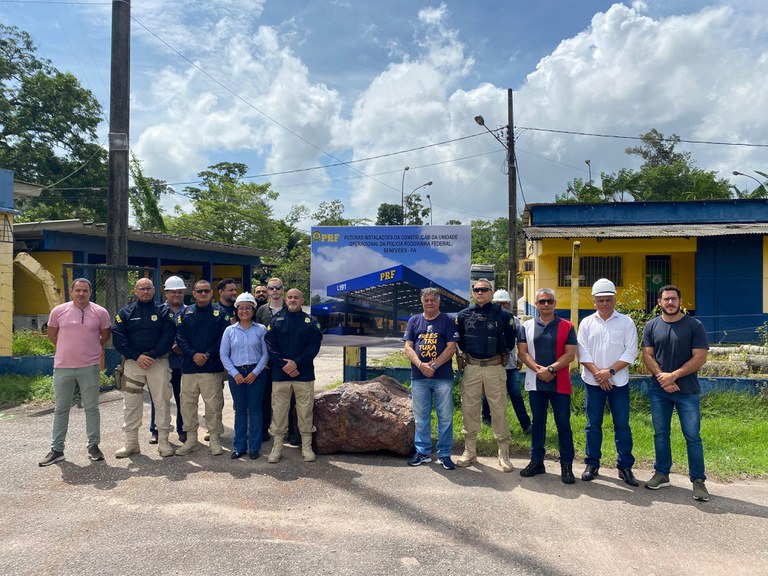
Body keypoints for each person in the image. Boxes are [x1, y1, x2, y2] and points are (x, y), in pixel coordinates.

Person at [642, 284, 710, 501]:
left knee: (692, 436)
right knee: (661, 434)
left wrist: (674, 376)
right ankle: (662, 474)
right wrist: (664, 379)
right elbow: (647, 356)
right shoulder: (651, 326)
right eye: (666, 299)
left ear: (681, 302)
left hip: (687, 391)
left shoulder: (694, 325)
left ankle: (698, 481)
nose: (670, 302)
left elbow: (700, 357)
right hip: (659, 391)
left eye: (673, 299)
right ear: (659, 303)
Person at [39, 278, 111, 466]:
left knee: (92, 407)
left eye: (85, 290)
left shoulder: (100, 312)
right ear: (71, 292)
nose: (81, 294)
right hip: (63, 366)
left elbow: (105, 335)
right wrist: (67, 349)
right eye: (77, 290)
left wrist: (91, 349)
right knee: (61, 409)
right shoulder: (59, 311)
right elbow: (52, 335)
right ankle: (57, 450)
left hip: (89, 366)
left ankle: (93, 446)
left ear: (90, 292)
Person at [577, 278, 639, 486]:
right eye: (600, 300)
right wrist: (598, 374)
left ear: (615, 300)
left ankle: (625, 467)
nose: (604, 303)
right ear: (594, 301)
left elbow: (631, 351)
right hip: (593, 383)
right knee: (593, 425)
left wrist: (609, 372)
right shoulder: (586, 323)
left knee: (622, 425)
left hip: (618, 382)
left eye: (608, 300)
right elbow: (582, 352)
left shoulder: (626, 322)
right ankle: (592, 464)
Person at [455, 278, 518, 472]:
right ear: (473, 293)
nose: (480, 292)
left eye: (484, 289)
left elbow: (510, 340)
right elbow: (460, 341)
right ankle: (470, 451)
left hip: (494, 367)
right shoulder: (464, 315)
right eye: (476, 289)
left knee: (498, 409)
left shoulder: (503, 315)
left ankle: (503, 453)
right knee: (469, 408)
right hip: (472, 366)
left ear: (491, 293)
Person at [517, 288, 578, 484]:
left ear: (555, 303)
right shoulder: (526, 326)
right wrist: (538, 370)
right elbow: (523, 352)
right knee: (538, 424)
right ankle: (537, 462)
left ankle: (566, 466)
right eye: (541, 301)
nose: (545, 305)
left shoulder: (567, 326)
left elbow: (570, 354)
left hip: (560, 384)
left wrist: (550, 370)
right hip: (536, 383)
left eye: (549, 301)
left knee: (563, 426)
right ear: (536, 304)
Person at [112, 278, 177, 458]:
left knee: (162, 401)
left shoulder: (164, 311)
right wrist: (136, 356)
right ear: (136, 291)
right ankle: (131, 443)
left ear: (154, 290)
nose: (145, 291)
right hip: (133, 364)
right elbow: (117, 336)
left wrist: (153, 355)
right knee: (131, 403)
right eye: (142, 289)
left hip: (158, 362)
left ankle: (163, 442)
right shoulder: (126, 312)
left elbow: (168, 335)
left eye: (148, 288)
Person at [265, 288, 323, 464]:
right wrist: (285, 365)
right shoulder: (275, 321)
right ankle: (277, 447)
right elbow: (270, 346)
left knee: (305, 412)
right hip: (280, 375)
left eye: (296, 297)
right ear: (285, 299)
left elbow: (314, 347)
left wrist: (296, 363)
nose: (292, 300)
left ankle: (307, 446)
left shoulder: (311, 322)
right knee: (279, 412)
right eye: (289, 297)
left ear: (302, 300)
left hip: (303, 374)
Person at [403, 288, 459, 470]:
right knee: (420, 417)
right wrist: (421, 365)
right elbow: (408, 347)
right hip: (419, 376)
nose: (429, 303)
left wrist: (433, 366)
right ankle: (423, 452)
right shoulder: (414, 321)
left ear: (439, 302)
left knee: (445, 417)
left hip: (442, 377)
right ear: (422, 302)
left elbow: (451, 347)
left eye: (433, 300)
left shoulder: (448, 321)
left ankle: (444, 454)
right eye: (426, 300)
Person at [175, 279, 229, 456]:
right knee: (188, 404)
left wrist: (206, 355)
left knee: (213, 405)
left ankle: (214, 438)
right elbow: (180, 338)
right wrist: (193, 354)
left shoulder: (220, 313)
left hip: (211, 367)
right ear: (194, 293)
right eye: (200, 291)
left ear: (212, 292)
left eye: (206, 291)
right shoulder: (185, 313)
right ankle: (191, 438)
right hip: (190, 368)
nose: (203, 294)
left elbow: (223, 338)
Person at [220, 293, 269, 459]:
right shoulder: (230, 331)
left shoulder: (261, 329)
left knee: (255, 410)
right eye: (241, 307)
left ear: (254, 310)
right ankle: (239, 447)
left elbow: (265, 354)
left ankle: (254, 448)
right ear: (236, 310)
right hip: (237, 374)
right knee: (240, 411)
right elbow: (224, 354)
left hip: (256, 373)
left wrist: (255, 372)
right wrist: (234, 373)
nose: (244, 311)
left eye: (248, 307)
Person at [481, 289, 531, 436]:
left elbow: (522, 342)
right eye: (498, 303)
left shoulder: (513, 320)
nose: (502, 306)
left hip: (509, 367)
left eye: (504, 304)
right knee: (488, 396)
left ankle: (526, 425)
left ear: (509, 304)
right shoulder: (486, 319)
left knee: (515, 396)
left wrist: (521, 358)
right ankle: (486, 421)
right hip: (491, 365)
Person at [256, 277, 299, 447]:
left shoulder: (290, 309)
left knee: (289, 398)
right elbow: (257, 337)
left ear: (283, 290)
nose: (274, 291)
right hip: (266, 363)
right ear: (267, 290)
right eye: (271, 288)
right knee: (265, 398)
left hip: (286, 362)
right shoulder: (261, 311)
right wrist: (262, 359)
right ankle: (264, 430)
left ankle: (292, 432)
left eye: (278, 288)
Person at [153, 275, 187, 444]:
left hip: (182, 363)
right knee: (159, 398)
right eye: (172, 292)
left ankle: (183, 430)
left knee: (183, 399)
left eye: (179, 292)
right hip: (162, 361)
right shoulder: (158, 312)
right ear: (166, 293)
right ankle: (157, 430)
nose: (176, 295)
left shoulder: (190, 311)